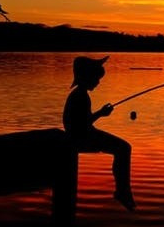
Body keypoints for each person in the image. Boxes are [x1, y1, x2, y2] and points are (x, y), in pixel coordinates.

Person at [63, 56, 136, 211]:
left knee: (122, 148)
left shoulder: (80, 95)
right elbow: (82, 123)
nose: (98, 82)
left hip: (83, 133)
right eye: (96, 78)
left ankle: (122, 190)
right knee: (123, 148)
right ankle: (122, 191)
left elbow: (83, 121)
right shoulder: (80, 96)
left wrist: (99, 113)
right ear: (87, 77)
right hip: (81, 137)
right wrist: (101, 114)